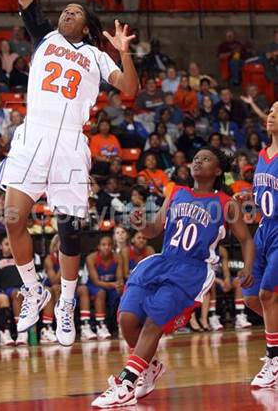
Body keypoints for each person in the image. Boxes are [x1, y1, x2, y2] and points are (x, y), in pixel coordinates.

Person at [0, 0, 138, 348]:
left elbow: (128, 89)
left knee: (69, 231)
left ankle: (68, 301)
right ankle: (34, 288)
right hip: (34, 134)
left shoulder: (96, 56)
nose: (66, 14)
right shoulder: (45, 39)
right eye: (65, 10)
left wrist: (125, 50)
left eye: (75, 12)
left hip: (71, 143)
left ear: (88, 26)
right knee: (12, 217)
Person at [93, 147, 255, 407]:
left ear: (217, 170)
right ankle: (150, 365)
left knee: (153, 324)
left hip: (192, 270)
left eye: (206, 159)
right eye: (197, 157)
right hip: (163, 260)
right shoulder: (176, 193)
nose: (198, 160)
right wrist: (140, 225)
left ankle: (125, 383)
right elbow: (154, 229)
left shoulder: (226, 203)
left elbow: (246, 240)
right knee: (127, 318)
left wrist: (247, 267)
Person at [237, 101, 278, 388]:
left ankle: (274, 358)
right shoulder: (263, 155)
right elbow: (264, 193)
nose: (272, 114)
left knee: (267, 295)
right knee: (251, 296)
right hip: (263, 228)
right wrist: (247, 198)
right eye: (271, 109)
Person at [85, 235, 124, 340]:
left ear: (112, 246)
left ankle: (121, 324)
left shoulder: (117, 257)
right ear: (99, 246)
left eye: (109, 245)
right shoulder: (91, 258)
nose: (106, 247)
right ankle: (100, 325)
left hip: (111, 285)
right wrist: (114, 284)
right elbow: (96, 281)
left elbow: (119, 277)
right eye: (103, 245)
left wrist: (119, 285)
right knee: (101, 292)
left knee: (122, 292)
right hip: (95, 286)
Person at [41, 235, 60, 344]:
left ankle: (61, 326)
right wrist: (64, 265)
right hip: (47, 286)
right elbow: (53, 280)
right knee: (53, 290)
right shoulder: (49, 259)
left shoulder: (72, 257)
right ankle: (47, 328)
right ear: (55, 245)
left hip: (64, 286)